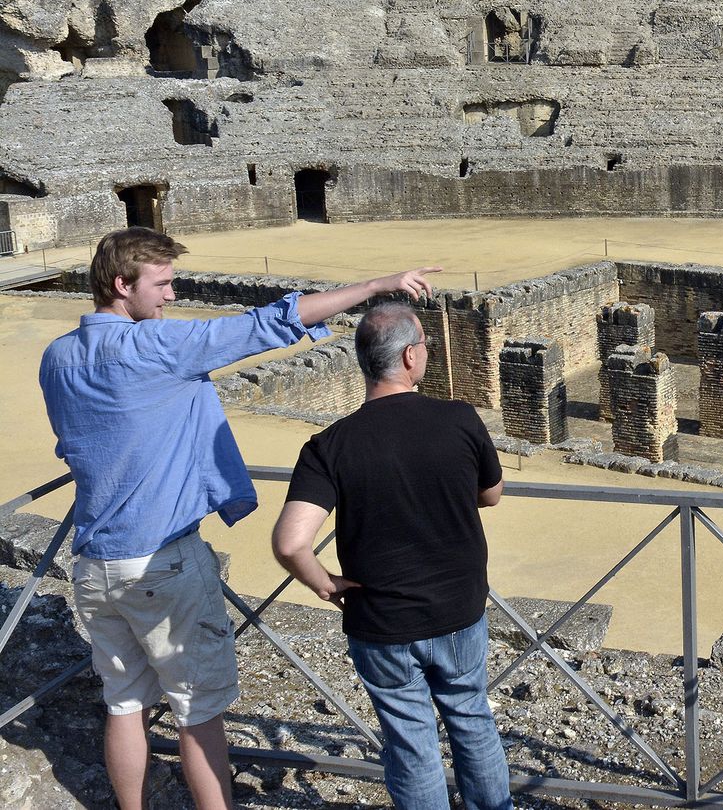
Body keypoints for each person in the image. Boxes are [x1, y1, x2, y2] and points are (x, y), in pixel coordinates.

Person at [37, 226, 439, 810]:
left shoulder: (56, 357)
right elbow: (269, 324)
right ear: (122, 285)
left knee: (124, 703)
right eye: (163, 284)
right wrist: (378, 286)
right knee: (198, 713)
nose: (172, 296)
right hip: (162, 559)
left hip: (94, 560)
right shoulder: (155, 349)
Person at [272, 300, 510, 810]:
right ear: (408, 357)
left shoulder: (329, 445)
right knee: (471, 717)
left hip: (380, 619)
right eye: (423, 344)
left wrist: (326, 583)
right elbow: (490, 494)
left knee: (410, 743)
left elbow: (291, 543)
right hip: (457, 608)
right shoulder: (459, 419)